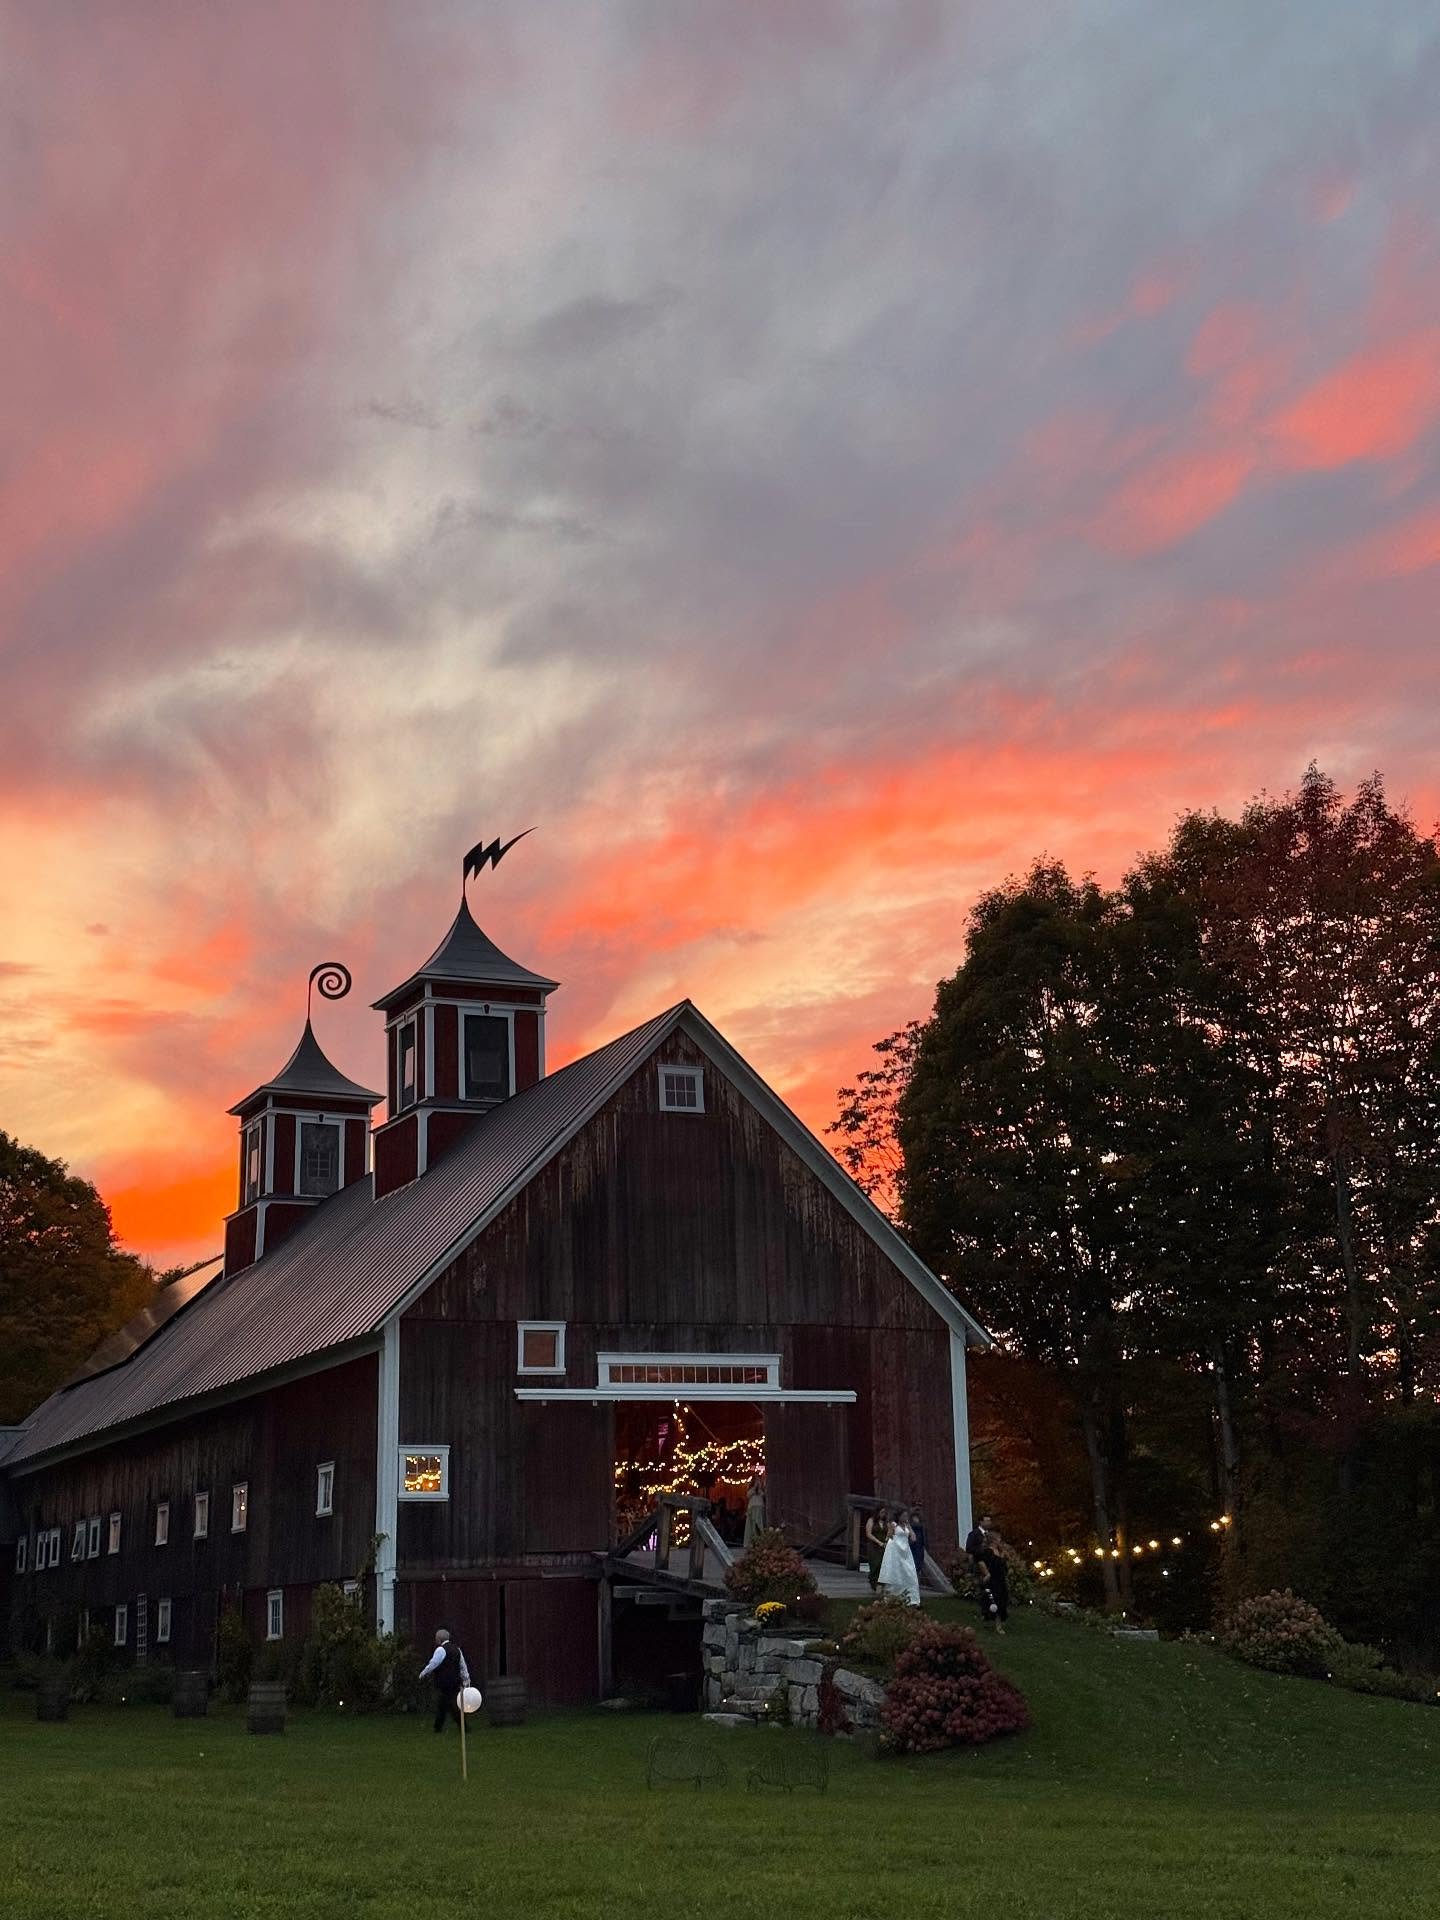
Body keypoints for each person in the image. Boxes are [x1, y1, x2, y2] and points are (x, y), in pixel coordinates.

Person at [418, 1627, 471, 1734]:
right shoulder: (457, 1649)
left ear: (438, 1639)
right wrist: (466, 1680)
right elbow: (462, 1666)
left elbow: (433, 1664)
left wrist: (423, 1673)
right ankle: (439, 1727)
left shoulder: (440, 1650)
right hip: (456, 1682)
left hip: (444, 1682)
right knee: (444, 1704)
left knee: (451, 1706)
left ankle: (462, 1727)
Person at [878, 1509, 921, 1607]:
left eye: (906, 1516)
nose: (905, 1517)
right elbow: (888, 1536)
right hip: (896, 1551)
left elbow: (913, 1538)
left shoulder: (907, 1525)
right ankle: (893, 1597)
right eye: (904, 1516)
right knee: (896, 1573)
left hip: (905, 1552)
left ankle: (912, 1599)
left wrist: (909, 1528)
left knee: (909, 1573)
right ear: (899, 1516)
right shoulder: (893, 1524)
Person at [864, 1505, 891, 1591]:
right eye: (882, 1512)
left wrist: (886, 1540)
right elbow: (868, 1533)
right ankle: (873, 1581)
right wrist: (878, 1542)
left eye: (884, 1513)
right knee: (875, 1564)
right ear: (878, 1512)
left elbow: (889, 1531)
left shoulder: (886, 1522)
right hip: (874, 1545)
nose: (883, 1514)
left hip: (883, 1545)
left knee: (883, 1564)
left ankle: (881, 1584)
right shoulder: (871, 1520)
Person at [743, 1473, 767, 1549]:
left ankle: (759, 1541)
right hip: (752, 1507)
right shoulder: (750, 1487)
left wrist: (759, 1489)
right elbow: (748, 1495)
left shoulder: (762, 1487)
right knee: (751, 1524)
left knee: (759, 1523)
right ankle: (750, 1541)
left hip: (759, 1506)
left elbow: (763, 1495)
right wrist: (754, 1488)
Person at [909, 1504, 929, 1592]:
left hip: (920, 1545)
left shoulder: (921, 1521)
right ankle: (912, 1583)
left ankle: (917, 1582)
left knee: (919, 1563)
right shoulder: (910, 1522)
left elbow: (924, 1534)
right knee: (913, 1563)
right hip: (913, 1545)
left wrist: (925, 1544)